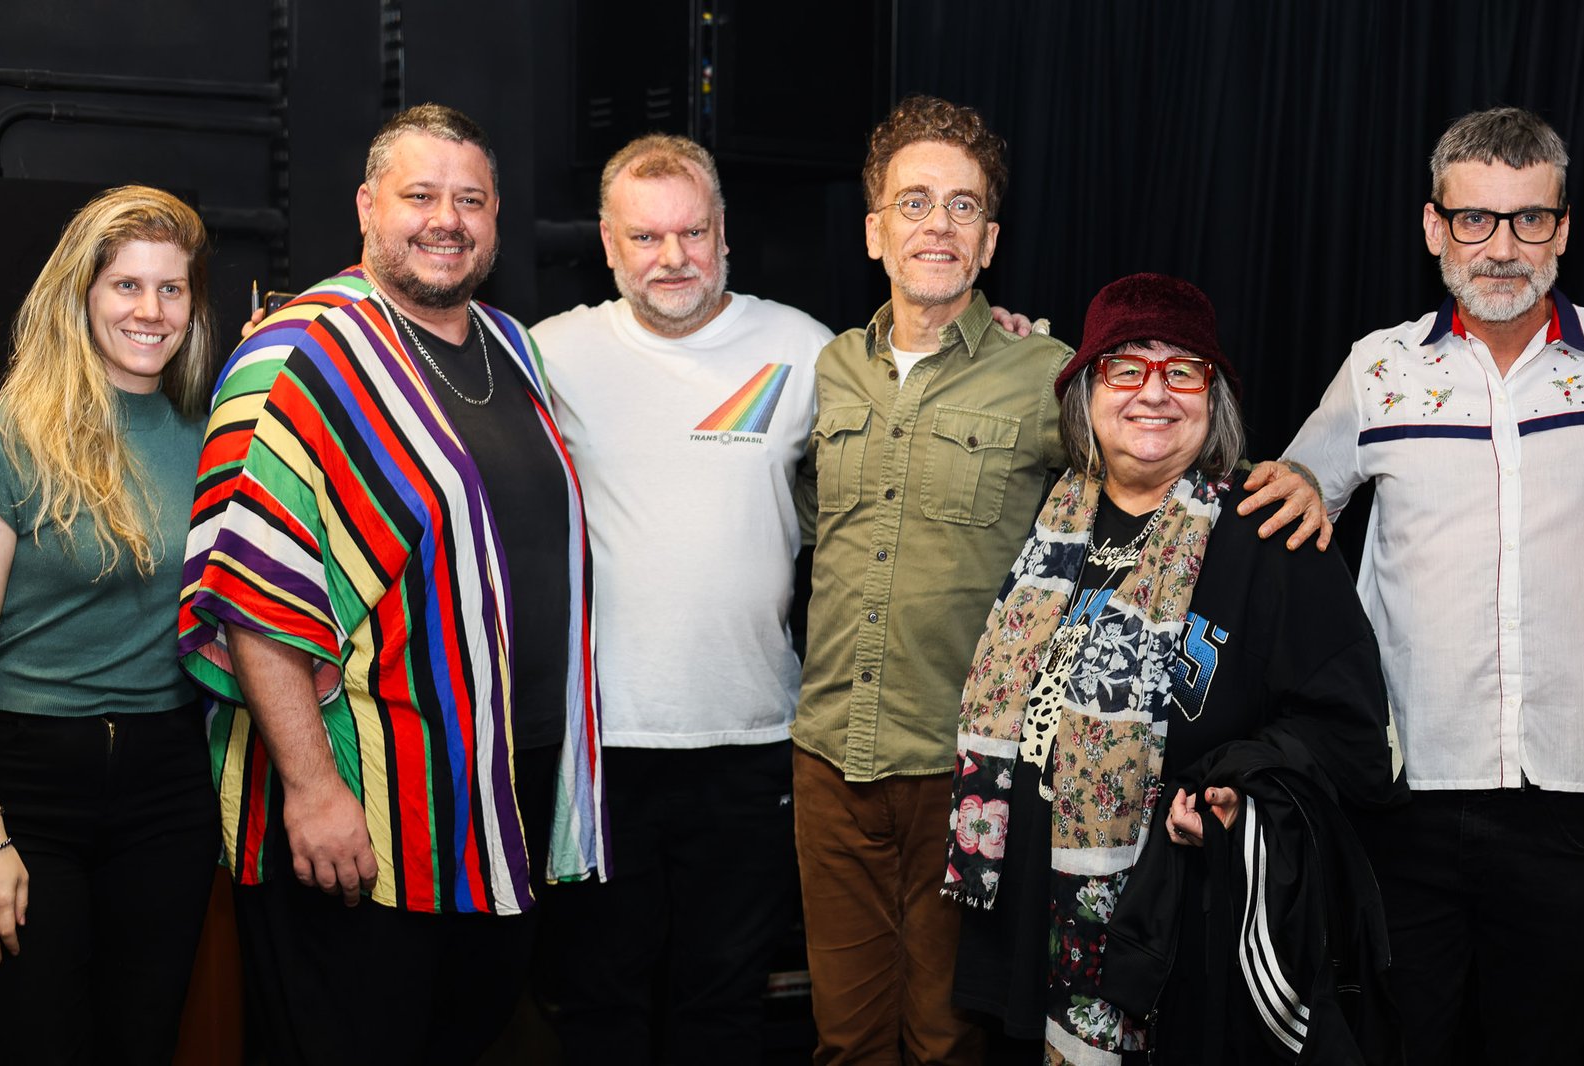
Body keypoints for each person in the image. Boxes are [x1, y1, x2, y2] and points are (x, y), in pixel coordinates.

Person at [178, 103, 605, 1065]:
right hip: (368, 805)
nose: (445, 219)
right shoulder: (300, 352)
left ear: (497, 217)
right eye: (420, 195)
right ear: (368, 205)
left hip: (496, 797)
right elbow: (251, 591)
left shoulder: (509, 344)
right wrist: (313, 790)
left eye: (471, 199)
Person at [947, 272, 1405, 1065]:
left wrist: (1242, 784)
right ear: (1086, 395)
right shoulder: (1051, 519)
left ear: (1213, 396)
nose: (1152, 393)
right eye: (1125, 367)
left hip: (1186, 944)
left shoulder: (1270, 536)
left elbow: (1358, 741)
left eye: (1181, 370)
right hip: (1025, 924)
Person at [1267, 106, 1584, 1066]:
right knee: (1398, 1044)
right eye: (1475, 219)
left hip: (1576, 797)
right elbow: (1292, 500)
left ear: (1563, 229)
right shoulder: (1380, 370)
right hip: (1406, 795)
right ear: (1433, 227)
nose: (1501, 247)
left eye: (1529, 219)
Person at [528, 134, 833, 1062]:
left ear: (724, 235)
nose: (672, 258)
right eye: (646, 237)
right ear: (609, 245)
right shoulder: (550, 352)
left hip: (751, 741)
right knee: (599, 1004)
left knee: (724, 1007)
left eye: (692, 233)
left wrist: (1007, 332)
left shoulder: (805, 348)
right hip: (600, 747)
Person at [790, 94, 1077, 1064]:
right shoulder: (827, 368)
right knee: (843, 1038)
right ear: (875, 230)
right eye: (913, 203)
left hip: (970, 766)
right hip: (831, 757)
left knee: (951, 1039)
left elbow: (1152, 477)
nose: (937, 226)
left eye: (961, 206)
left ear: (990, 239)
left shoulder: (1049, 374)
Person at [0, 185, 220, 1064]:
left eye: (172, 289)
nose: (150, 310)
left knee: (144, 1039)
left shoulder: (208, 427)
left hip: (168, 783)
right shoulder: (18, 429)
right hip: (30, 781)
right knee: (40, 1037)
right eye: (126, 285)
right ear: (82, 296)